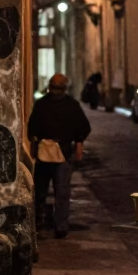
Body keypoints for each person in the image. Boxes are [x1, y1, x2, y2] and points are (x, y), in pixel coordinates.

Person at [28, 74, 91, 238]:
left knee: (50, 191)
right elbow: (82, 128)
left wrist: (34, 148)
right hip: (57, 152)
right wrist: (78, 146)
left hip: (53, 152)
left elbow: (32, 129)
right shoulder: (68, 105)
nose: (55, 91)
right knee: (56, 191)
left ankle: (46, 224)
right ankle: (57, 225)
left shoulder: (44, 105)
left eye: (57, 87)